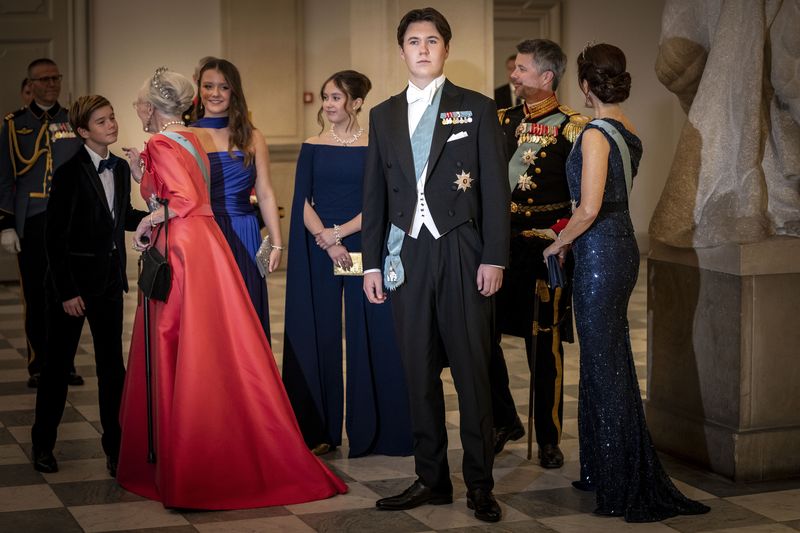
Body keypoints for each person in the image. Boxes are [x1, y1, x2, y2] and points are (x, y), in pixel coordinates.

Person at [117, 67, 347, 510]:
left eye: (138, 103)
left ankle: (193, 451)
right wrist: (140, 176)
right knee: (220, 343)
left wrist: (147, 221)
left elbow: (179, 202)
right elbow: (174, 196)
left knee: (188, 345)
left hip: (187, 246)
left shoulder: (164, 140)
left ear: (151, 105)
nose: (137, 109)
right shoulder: (188, 138)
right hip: (204, 242)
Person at [542, 43, 710, 522]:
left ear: (586, 86)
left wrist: (558, 244)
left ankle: (622, 479)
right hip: (617, 248)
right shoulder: (627, 128)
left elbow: (590, 207)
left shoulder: (596, 133)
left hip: (600, 253)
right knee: (602, 361)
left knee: (606, 365)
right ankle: (602, 468)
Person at [362, 8, 510, 523]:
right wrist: (371, 265)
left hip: (463, 250)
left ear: (445, 49)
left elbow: (495, 188)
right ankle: (431, 478)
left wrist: (494, 255)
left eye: (431, 40)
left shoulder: (476, 108)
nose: (422, 48)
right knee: (417, 371)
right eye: (412, 41)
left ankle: (480, 484)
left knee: (472, 371)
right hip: (406, 254)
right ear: (401, 50)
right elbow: (375, 195)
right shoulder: (381, 115)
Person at [282, 70, 413, 459]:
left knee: (369, 331)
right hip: (318, 247)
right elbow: (301, 199)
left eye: (336, 97)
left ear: (357, 102)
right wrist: (326, 238)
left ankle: (376, 431)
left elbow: (380, 202)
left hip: (362, 245)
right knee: (316, 332)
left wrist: (340, 235)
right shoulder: (312, 145)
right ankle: (316, 430)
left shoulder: (377, 145)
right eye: (325, 96)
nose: (328, 104)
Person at [30, 95, 146, 476]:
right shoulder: (67, 173)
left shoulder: (119, 167)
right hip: (71, 287)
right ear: (82, 131)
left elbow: (123, 216)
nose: (111, 125)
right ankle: (42, 443)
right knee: (56, 366)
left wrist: (159, 215)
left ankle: (115, 448)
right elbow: (54, 239)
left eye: (112, 118)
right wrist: (66, 292)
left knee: (112, 368)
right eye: (101, 122)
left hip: (109, 284)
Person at [490, 39, 587, 468]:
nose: (513, 74)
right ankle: (503, 418)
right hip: (498, 249)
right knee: (480, 338)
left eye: (522, 69)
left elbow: (585, 197)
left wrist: (563, 240)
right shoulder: (500, 120)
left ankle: (548, 436)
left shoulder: (573, 126)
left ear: (546, 77)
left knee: (543, 347)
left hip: (545, 250)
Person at [0, 58, 84, 389]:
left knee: (68, 293)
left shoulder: (73, 121)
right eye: (44, 79)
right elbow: (5, 178)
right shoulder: (14, 124)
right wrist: (5, 224)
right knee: (35, 295)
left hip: (68, 221)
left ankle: (66, 363)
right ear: (30, 84)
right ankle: (39, 363)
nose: (52, 84)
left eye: (55, 78)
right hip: (32, 219)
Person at [191, 58, 282, 340]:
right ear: (199, 90)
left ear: (234, 92)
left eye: (223, 87)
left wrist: (277, 243)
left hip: (245, 232)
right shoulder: (187, 136)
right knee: (210, 314)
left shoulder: (252, 137)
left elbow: (265, 193)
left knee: (248, 311)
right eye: (208, 86)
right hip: (204, 233)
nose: (215, 93)